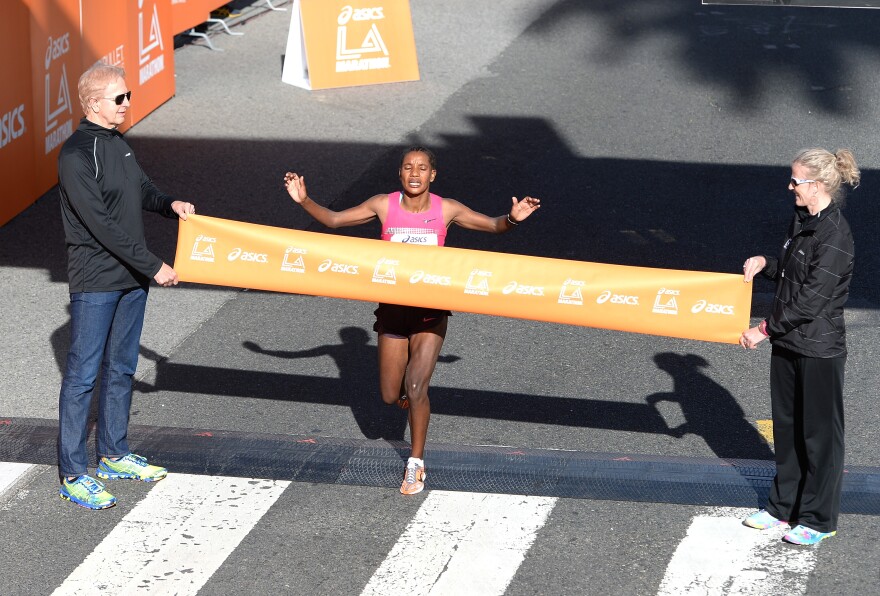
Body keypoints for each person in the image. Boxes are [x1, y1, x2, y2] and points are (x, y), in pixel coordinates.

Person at [284, 146, 541, 495]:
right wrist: (304, 200)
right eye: (408, 167)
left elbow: (493, 225)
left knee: (418, 386)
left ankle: (415, 464)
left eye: (422, 168)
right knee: (391, 395)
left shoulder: (446, 209)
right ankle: (407, 398)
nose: (415, 173)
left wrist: (512, 218)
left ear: (432, 175)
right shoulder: (383, 205)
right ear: (400, 174)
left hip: (430, 315)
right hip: (392, 312)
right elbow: (333, 220)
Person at [56, 63, 196, 509]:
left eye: (128, 95)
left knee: (120, 368)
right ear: (94, 102)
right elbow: (100, 225)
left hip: (131, 279)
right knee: (81, 377)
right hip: (97, 280)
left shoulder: (118, 145)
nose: (127, 103)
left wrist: (169, 204)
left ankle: (114, 453)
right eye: (120, 98)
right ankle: (74, 473)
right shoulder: (76, 154)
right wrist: (154, 264)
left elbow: (143, 192)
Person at [739, 148, 859, 545]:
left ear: (818, 185)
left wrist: (764, 329)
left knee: (820, 436)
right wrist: (766, 264)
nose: (790, 187)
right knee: (787, 430)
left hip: (819, 349)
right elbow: (793, 272)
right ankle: (782, 508)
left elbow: (812, 299)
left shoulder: (836, 236)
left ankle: (818, 519)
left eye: (796, 181)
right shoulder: (802, 221)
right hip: (790, 343)